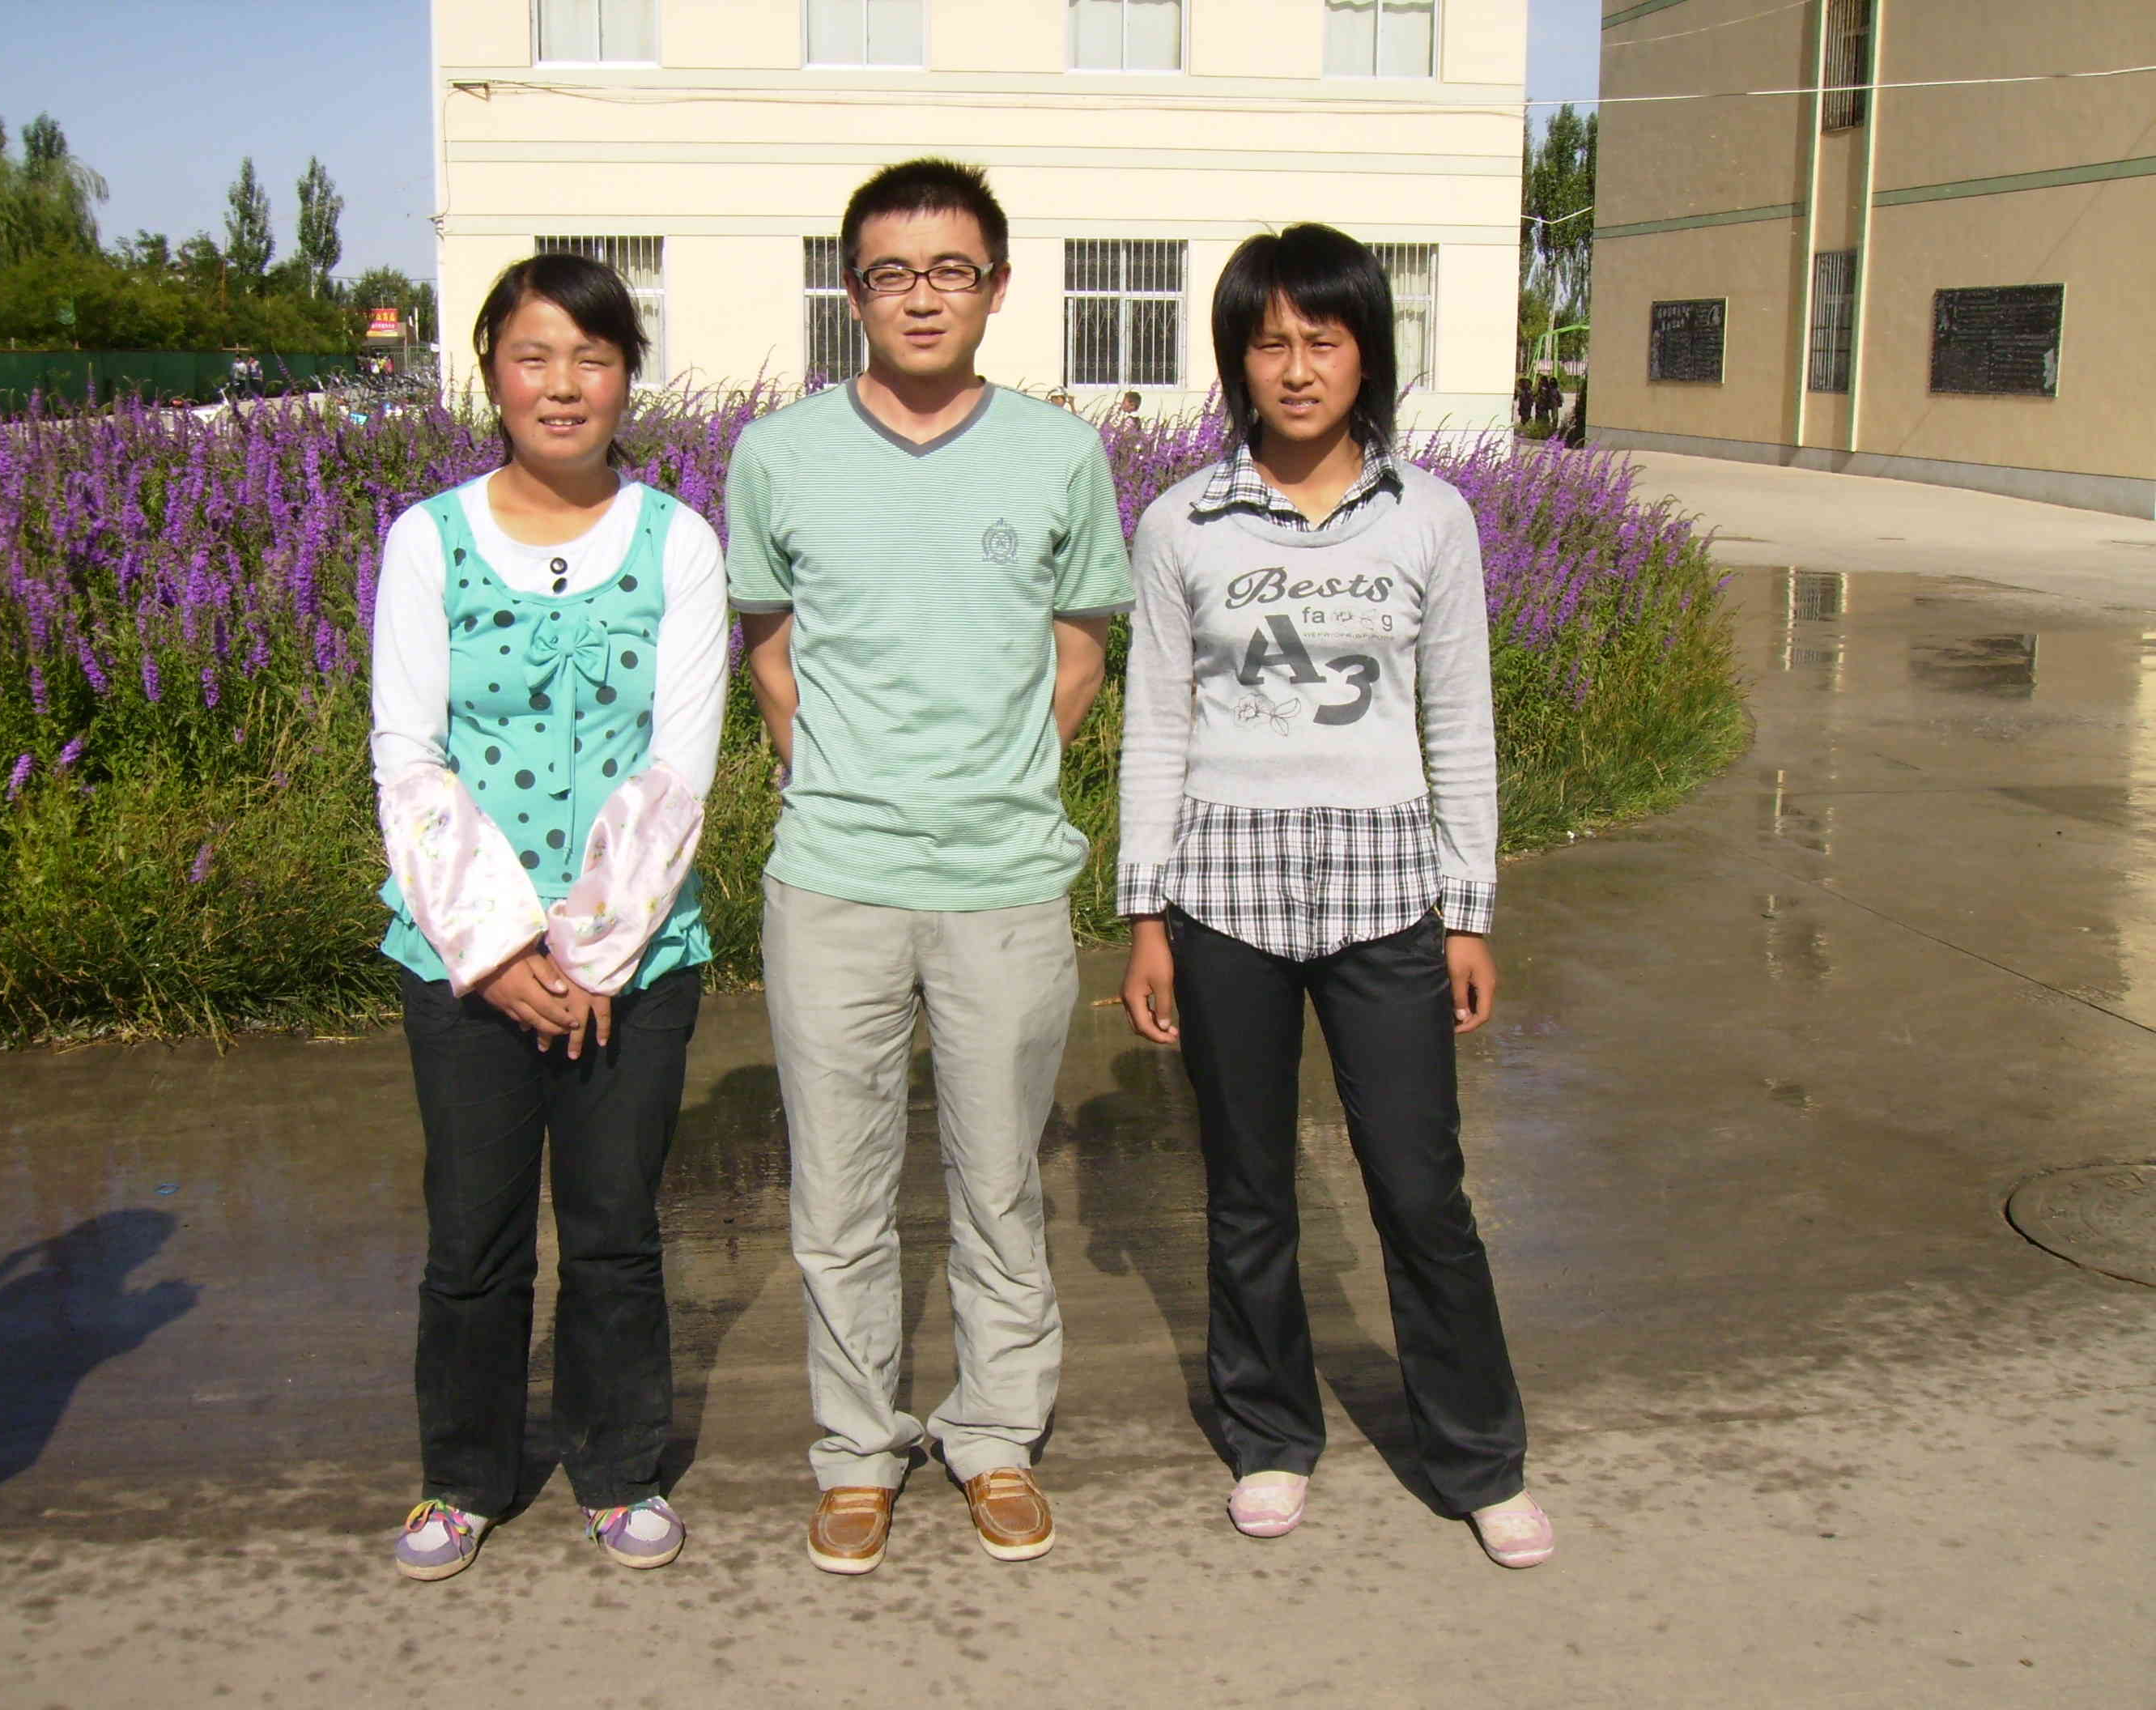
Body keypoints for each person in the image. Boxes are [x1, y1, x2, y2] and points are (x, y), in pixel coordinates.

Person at [1115, 223, 1551, 1568]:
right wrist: (1146, 916)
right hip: (1224, 899)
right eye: (1269, 343)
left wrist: (1468, 911)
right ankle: (1269, 1436)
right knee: (1250, 1192)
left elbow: (1459, 720)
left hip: (1386, 900)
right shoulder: (1181, 523)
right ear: (1236, 361)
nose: (1296, 369)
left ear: (1369, 352)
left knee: (1420, 1190)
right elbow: (1158, 723)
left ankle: (1478, 1460)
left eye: (1324, 339)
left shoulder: (1431, 518)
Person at [727, 157, 1131, 1576]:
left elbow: (1080, 649)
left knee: (999, 1182)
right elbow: (770, 648)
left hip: (1004, 880)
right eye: (891, 273)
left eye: (950, 270)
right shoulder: (778, 455)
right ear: (852, 292)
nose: (921, 297)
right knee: (837, 1194)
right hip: (833, 876)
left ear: (996, 288)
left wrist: (995, 774)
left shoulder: (1059, 456)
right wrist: (836, 774)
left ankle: (996, 1435)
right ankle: (856, 1451)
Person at [369, 252, 729, 1582]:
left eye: (593, 356)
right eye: (534, 356)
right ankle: (463, 1475)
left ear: (628, 376)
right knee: (472, 1234)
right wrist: (501, 948)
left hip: (638, 957)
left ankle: (620, 1467)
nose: (562, 385)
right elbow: (409, 756)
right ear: (492, 373)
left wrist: (590, 952)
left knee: (615, 1230)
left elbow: (680, 766)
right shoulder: (429, 538)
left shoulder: (679, 542)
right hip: (464, 959)